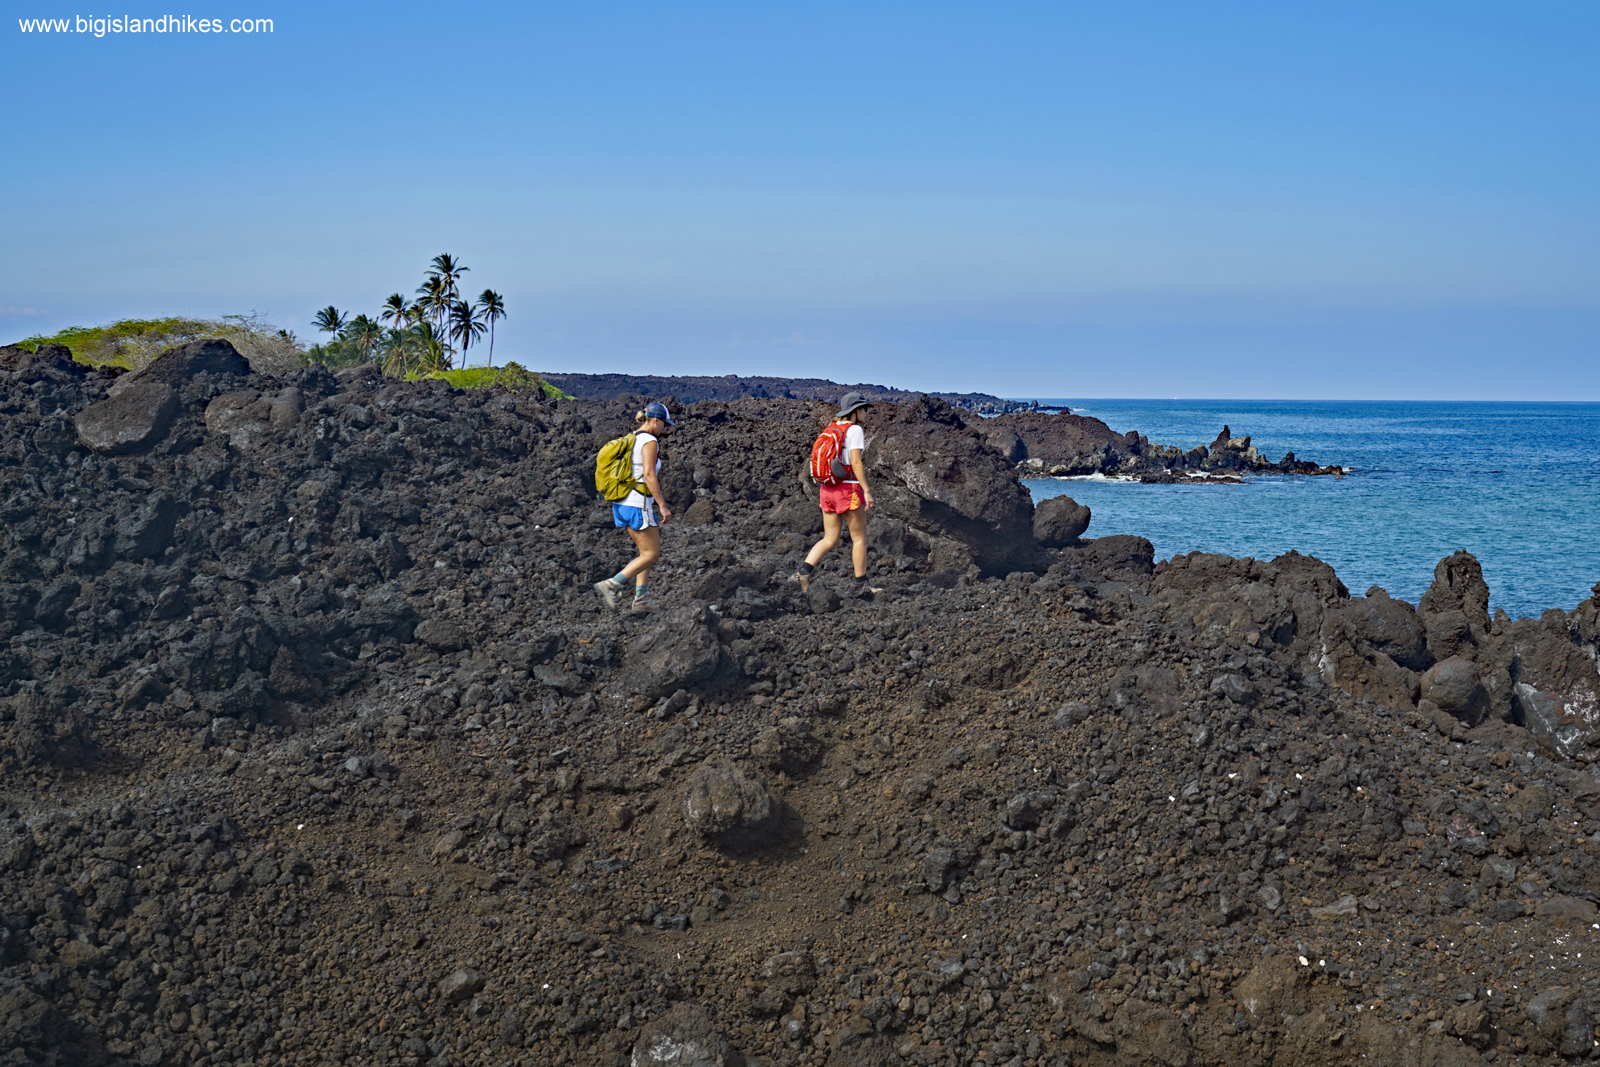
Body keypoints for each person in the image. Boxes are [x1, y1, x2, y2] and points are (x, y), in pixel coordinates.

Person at [792, 392, 882, 594]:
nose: (866, 413)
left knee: (830, 538)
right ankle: (861, 586)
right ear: (855, 411)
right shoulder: (855, 430)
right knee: (859, 539)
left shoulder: (831, 428)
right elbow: (856, 462)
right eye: (864, 409)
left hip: (827, 489)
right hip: (847, 489)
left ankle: (802, 573)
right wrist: (866, 490)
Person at [594, 401, 675, 613]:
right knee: (652, 554)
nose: (664, 428)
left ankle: (641, 600)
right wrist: (663, 505)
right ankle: (611, 584)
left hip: (622, 503)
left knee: (644, 552)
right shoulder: (649, 440)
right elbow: (649, 475)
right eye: (664, 424)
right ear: (656, 421)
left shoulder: (632, 438)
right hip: (638, 504)